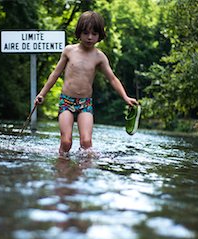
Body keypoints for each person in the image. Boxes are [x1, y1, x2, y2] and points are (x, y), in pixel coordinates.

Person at [34, 10, 138, 158]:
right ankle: (62, 170)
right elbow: (55, 74)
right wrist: (42, 94)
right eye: (86, 33)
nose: (90, 37)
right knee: (66, 141)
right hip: (66, 102)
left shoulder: (99, 57)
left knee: (86, 142)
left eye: (94, 34)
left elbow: (112, 78)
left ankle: (83, 175)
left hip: (85, 104)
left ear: (99, 35)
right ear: (79, 33)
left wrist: (125, 97)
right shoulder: (69, 51)